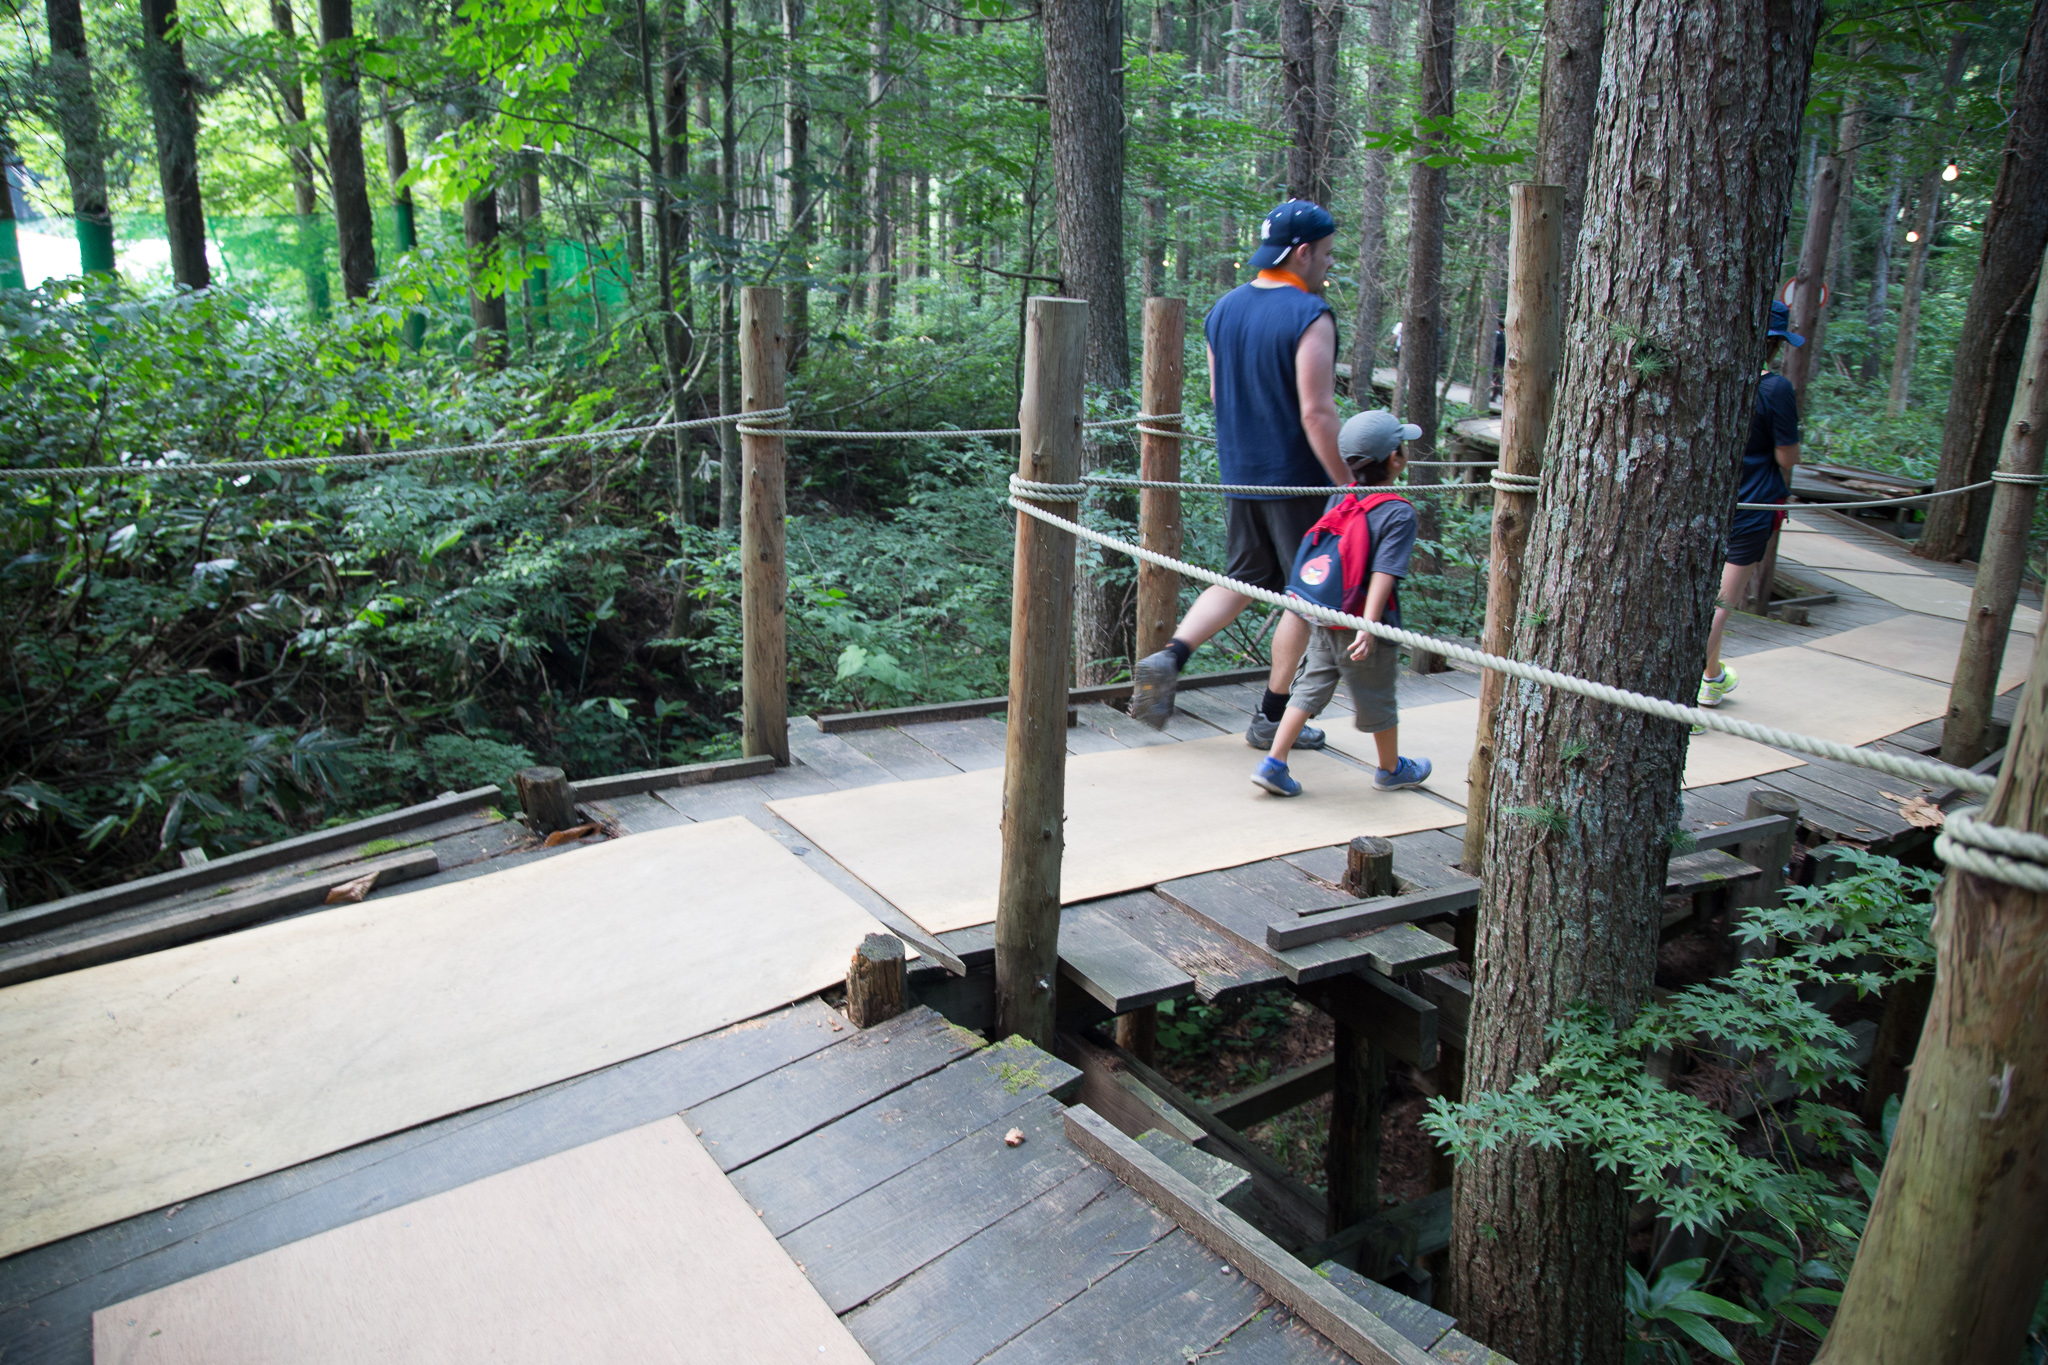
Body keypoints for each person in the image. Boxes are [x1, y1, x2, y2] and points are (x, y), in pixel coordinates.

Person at [1129, 199, 1353, 746]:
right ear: (1302, 253)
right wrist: (1347, 484)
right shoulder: (1310, 315)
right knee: (1305, 594)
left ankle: (1171, 654)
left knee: (1246, 578)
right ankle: (1272, 719)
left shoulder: (1222, 310)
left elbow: (1215, 392)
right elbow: (1316, 412)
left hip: (1241, 472)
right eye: (1326, 255)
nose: (1328, 266)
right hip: (1297, 477)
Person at [1253, 411, 1434, 796]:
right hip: (1364, 626)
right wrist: (1369, 626)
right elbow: (1385, 571)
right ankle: (1390, 769)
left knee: (1308, 688)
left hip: (1324, 614)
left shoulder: (1342, 494)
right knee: (1378, 695)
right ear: (1396, 458)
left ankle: (1274, 762)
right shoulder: (1397, 510)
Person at [1699, 299, 1803, 712]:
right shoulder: (1774, 388)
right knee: (1721, 606)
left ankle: (1711, 679)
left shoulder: (1714, 381)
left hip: (1704, 504)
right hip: (1753, 507)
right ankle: (1684, 697)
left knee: (1705, 603)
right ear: (1775, 344)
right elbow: (1786, 458)